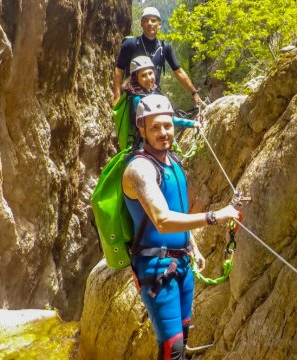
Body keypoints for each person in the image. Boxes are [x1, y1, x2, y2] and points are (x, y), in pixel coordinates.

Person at [122, 94, 240, 359]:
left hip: (182, 263)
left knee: (184, 334)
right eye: (155, 127)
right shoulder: (139, 170)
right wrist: (213, 217)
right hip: (155, 269)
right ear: (141, 129)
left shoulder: (173, 162)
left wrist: (192, 245)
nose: (163, 132)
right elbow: (162, 220)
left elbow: (178, 210)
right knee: (171, 346)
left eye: (167, 125)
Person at [113, 6, 203, 106]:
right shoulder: (130, 44)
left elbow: (179, 72)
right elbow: (119, 70)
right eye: (146, 20)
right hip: (133, 96)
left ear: (159, 24)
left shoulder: (165, 47)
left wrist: (194, 93)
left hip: (153, 94)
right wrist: (117, 96)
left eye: (153, 20)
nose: (150, 23)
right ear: (141, 24)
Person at [122, 55, 200, 149]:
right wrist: (191, 123)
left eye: (150, 73)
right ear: (136, 78)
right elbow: (163, 120)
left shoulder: (153, 90)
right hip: (147, 144)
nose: (149, 78)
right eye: (143, 75)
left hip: (158, 138)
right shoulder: (138, 99)